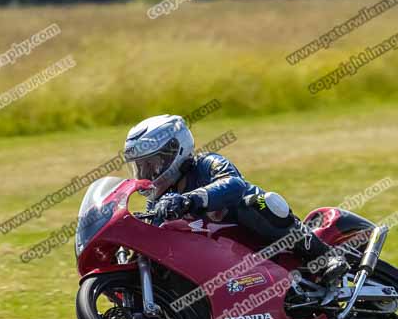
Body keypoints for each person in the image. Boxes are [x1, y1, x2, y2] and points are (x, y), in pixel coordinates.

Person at [123, 114, 349, 284]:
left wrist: (189, 200)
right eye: (140, 167)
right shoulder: (160, 200)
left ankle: (325, 256)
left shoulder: (208, 163)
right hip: (228, 254)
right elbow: (154, 234)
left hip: (253, 226)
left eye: (152, 164)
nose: (146, 174)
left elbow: (234, 185)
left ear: (176, 150)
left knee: (258, 203)